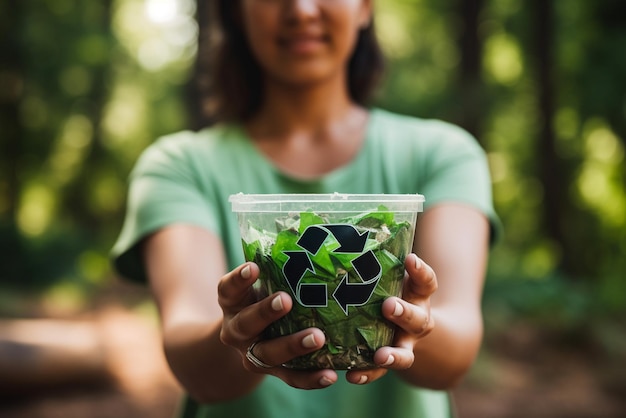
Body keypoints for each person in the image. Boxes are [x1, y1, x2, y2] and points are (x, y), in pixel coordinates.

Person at [111, 1, 500, 417]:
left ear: (365, 7)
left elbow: (456, 353)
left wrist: (414, 324)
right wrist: (239, 336)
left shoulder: (443, 155)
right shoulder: (178, 167)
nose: (300, 9)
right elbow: (195, 365)